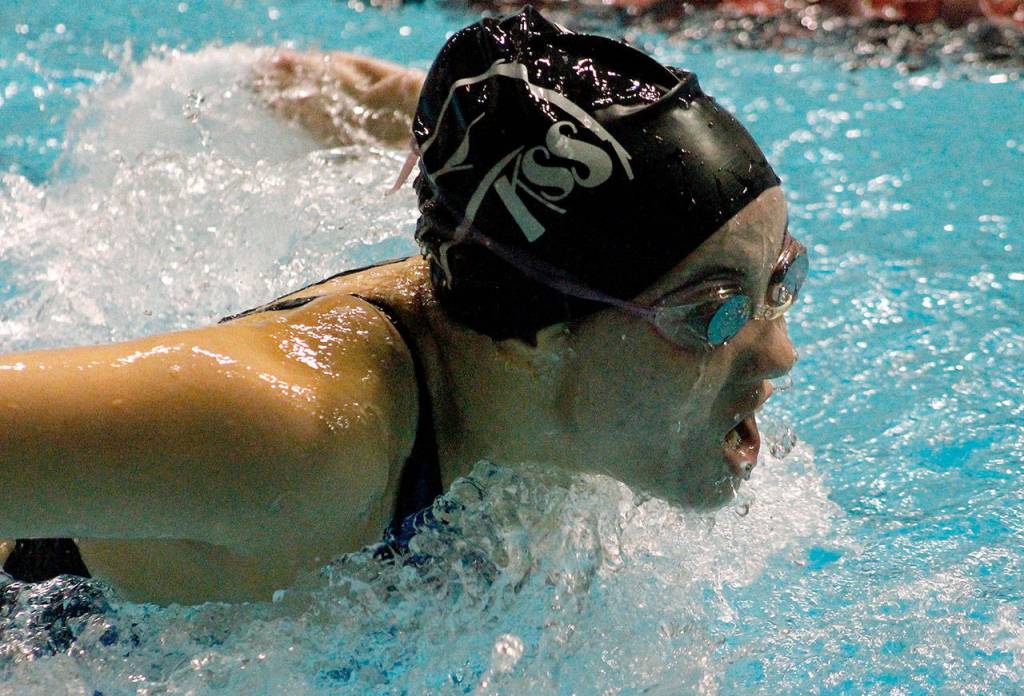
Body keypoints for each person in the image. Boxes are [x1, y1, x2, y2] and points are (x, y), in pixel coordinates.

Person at [0, 8, 804, 604]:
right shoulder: (301, 434)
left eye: (781, 280)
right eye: (713, 313)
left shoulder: (539, 330)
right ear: (537, 335)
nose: (780, 354)